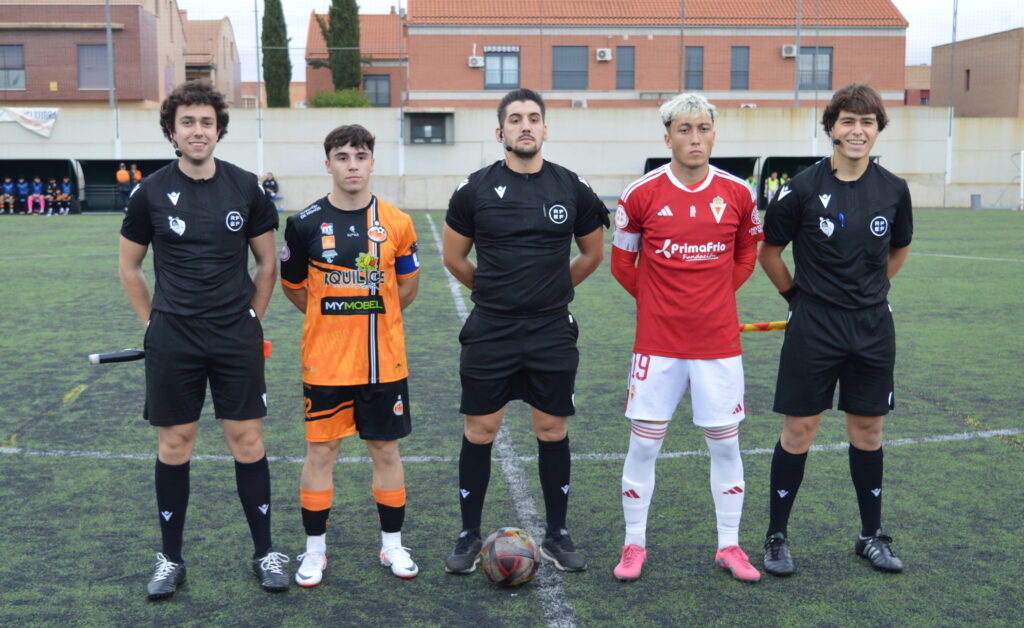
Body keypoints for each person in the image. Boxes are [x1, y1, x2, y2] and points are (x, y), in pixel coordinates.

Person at [118, 80, 287, 600]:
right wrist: (152, 323)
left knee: (247, 441)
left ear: (219, 130)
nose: (197, 131)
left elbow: (265, 262)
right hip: (174, 337)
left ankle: (265, 552)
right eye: (187, 122)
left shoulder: (246, 187)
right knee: (175, 443)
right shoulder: (148, 191)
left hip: (234, 334)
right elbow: (130, 266)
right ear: (172, 131)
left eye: (206, 122)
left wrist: (253, 317)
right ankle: (170, 558)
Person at [441, 88, 607, 574]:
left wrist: (551, 290)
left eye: (534, 118)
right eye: (515, 119)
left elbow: (593, 254)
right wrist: (495, 292)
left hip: (551, 329)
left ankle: (557, 534)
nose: (525, 126)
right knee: (481, 429)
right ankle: (469, 535)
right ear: (501, 132)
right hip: (491, 328)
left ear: (545, 129)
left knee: (551, 429)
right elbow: (454, 257)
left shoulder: (571, 187)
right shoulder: (473, 189)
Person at [758, 83, 912, 577]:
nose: (857, 130)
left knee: (868, 432)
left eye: (866, 122)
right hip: (814, 327)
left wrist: (867, 293)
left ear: (877, 129)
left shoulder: (893, 188)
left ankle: (871, 536)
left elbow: (899, 250)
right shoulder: (800, 188)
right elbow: (770, 253)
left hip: (871, 327)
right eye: (848, 121)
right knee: (799, 430)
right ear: (831, 128)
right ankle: (777, 537)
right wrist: (797, 300)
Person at [609, 93, 764, 583]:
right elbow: (622, 264)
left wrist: (712, 298)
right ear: (667, 137)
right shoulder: (640, 194)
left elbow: (746, 257)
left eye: (703, 129)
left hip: (718, 345)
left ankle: (730, 546)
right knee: (646, 444)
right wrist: (661, 303)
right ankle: (634, 545)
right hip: (657, 344)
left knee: (724, 444)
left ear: (714, 134)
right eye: (684, 129)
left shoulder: (739, 193)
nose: (694, 138)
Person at [280, 124, 422, 588]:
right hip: (326, 362)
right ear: (328, 165)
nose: (352, 164)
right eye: (342, 156)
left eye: (360, 155)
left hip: (384, 360)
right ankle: (314, 551)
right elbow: (295, 289)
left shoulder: (397, 222)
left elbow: (406, 288)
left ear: (372, 162)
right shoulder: (303, 224)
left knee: (385, 448)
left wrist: (367, 312)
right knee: (321, 451)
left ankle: (393, 544)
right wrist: (333, 315)